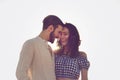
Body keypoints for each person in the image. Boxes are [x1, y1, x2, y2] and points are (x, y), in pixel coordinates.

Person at [16, 15, 64, 80]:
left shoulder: (50, 49)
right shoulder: (31, 43)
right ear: (50, 28)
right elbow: (20, 73)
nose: (59, 36)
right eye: (59, 32)